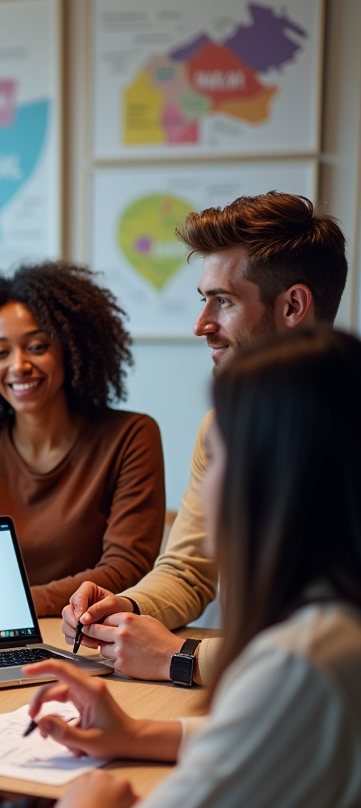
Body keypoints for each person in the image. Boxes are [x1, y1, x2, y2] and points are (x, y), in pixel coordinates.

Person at [28, 327, 361, 808]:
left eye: (223, 455)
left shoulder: (305, 665)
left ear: (274, 476)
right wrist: (143, 735)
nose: (206, 493)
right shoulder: (337, 631)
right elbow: (297, 747)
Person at [61, 193, 349, 686]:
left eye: (224, 300)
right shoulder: (220, 427)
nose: (202, 326)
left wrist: (184, 656)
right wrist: (125, 607)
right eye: (203, 300)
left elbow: (336, 652)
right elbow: (190, 569)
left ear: (293, 306)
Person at [0, 261, 165, 616]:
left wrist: (16, 603)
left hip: (84, 632)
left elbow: (126, 566)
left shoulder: (130, 437)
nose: (18, 365)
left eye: (36, 346)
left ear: (71, 348)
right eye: (1, 352)